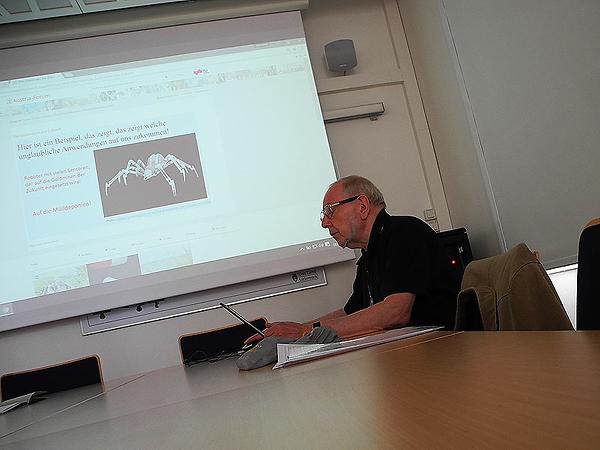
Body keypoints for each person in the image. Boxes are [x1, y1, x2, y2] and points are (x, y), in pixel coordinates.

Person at [245, 175, 460, 345]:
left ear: (362, 206)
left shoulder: (404, 232)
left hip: (443, 349)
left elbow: (396, 311)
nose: (324, 224)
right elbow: (351, 313)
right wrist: (295, 330)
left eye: (330, 210)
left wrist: (306, 331)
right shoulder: (370, 253)